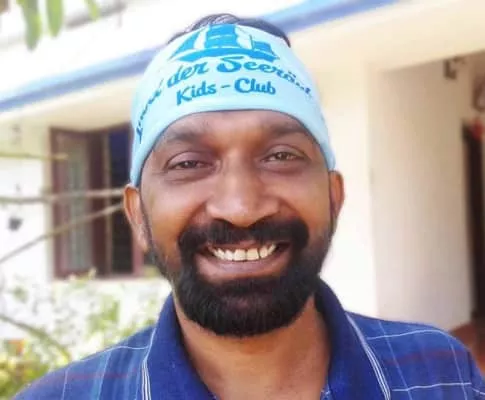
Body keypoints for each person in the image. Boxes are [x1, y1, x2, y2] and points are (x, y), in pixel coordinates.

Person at [16, 13, 485, 400]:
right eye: (189, 163)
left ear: (333, 197)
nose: (241, 207)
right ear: (137, 216)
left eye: (280, 156)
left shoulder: (440, 374)